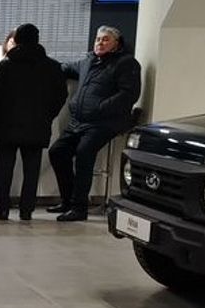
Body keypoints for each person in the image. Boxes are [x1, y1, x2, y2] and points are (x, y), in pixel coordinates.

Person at [47, 25, 142, 221]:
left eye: (105, 39)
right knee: (57, 152)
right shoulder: (88, 61)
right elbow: (64, 68)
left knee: (84, 153)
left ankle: (79, 208)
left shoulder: (126, 63)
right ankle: (67, 201)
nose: (100, 43)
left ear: (117, 44)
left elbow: (129, 94)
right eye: (98, 39)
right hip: (78, 121)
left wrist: (101, 108)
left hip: (104, 122)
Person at [0, 23, 68, 221]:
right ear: (37, 39)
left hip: (5, 126)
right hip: (37, 126)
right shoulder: (52, 66)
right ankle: (26, 210)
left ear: (17, 40)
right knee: (32, 171)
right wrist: (48, 115)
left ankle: (1, 209)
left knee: (3, 169)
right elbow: (61, 95)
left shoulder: (5, 65)